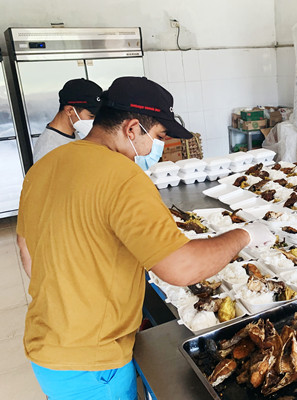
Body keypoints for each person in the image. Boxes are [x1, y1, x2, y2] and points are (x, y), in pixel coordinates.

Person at [16, 76, 275, 399]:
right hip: (95, 362)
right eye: (158, 136)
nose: (160, 147)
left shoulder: (44, 166)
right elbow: (181, 269)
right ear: (132, 128)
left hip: (47, 344)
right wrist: (244, 235)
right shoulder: (123, 176)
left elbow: (27, 250)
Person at [33, 78, 103, 163]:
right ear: (70, 110)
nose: (95, 121)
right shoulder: (49, 149)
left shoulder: (71, 133)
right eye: (91, 116)